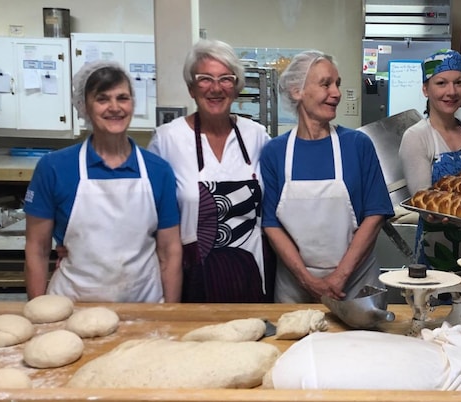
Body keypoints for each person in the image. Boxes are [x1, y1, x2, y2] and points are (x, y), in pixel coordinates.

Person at [24, 61, 182, 302]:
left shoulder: (158, 170)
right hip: (72, 304)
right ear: (84, 106)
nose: (114, 107)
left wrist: (170, 314)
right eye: (102, 99)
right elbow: (37, 249)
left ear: (133, 103)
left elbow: (169, 252)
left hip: (145, 306)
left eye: (122, 98)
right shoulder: (55, 167)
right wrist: (39, 311)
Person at [260, 50, 394, 303]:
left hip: (354, 286)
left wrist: (338, 278)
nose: (337, 93)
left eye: (338, 84)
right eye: (325, 84)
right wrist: (306, 280)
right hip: (295, 286)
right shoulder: (274, 152)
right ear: (296, 91)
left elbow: (375, 215)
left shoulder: (357, 145)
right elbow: (271, 224)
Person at [148, 39, 273, 303]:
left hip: (249, 275)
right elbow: (147, 214)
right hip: (191, 280)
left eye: (226, 79)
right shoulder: (168, 139)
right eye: (205, 79)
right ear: (191, 88)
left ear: (237, 87)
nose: (216, 88)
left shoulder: (257, 136)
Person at [398, 49, 461, 271]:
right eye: (441, 83)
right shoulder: (417, 136)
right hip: (437, 251)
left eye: (458, 82)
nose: (451, 91)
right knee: (440, 305)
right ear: (425, 89)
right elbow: (425, 204)